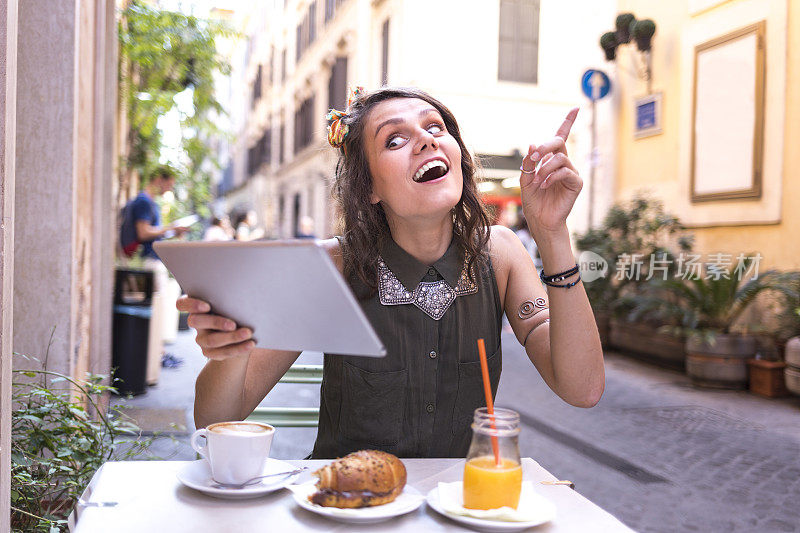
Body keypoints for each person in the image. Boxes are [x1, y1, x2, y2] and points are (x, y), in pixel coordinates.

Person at [178, 87, 604, 459]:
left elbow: (581, 388)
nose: (425, 141)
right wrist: (228, 351)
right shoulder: (331, 267)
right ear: (369, 189)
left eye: (436, 128)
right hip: (345, 506)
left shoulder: (502, 253)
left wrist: (552, 234)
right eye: (395, 139)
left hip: (459, 507)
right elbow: (217, 418)